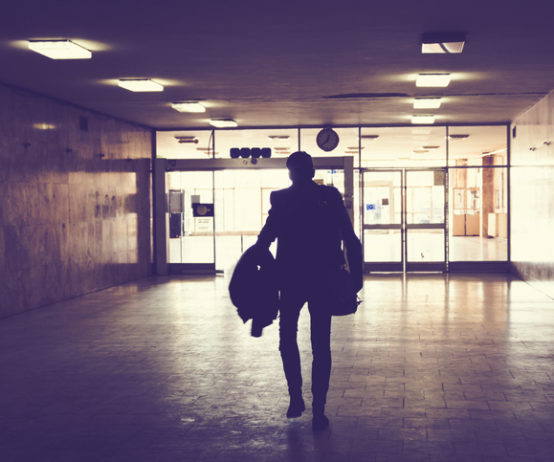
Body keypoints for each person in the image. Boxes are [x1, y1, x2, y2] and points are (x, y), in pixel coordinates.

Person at [254, 151, 362, 431]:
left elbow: (265, 238)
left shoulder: (281, 198)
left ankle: (295, 398)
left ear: (290, 172)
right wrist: (356, 278)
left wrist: (262, 269)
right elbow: (349, 236)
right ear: (312, 171)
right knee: (320, 346)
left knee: (287, 338)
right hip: (323, 279)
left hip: (290, 279)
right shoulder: (330, 197)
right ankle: (319, 410)